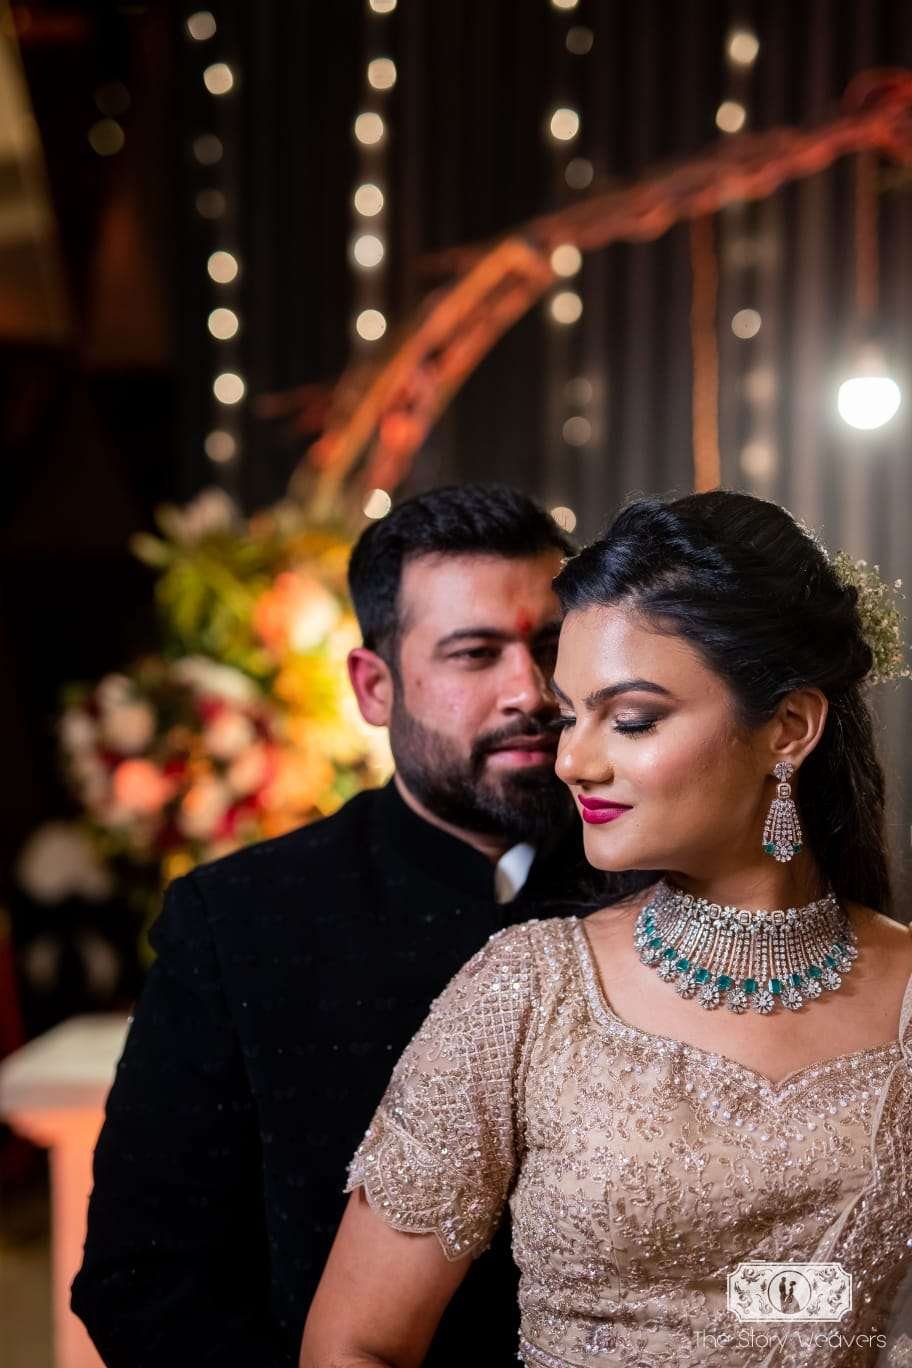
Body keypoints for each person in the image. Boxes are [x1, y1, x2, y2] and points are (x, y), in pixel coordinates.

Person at [301, 490, 912, 1368]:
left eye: (630, 720)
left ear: (788, 728)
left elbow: (826, 1305)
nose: (571, 760)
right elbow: (353, 1344)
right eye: (570, 714)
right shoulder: (529, 991)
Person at [71, 483, 643, 1368]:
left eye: (548, 647)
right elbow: (141, 1278)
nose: (530, 693)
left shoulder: (661, 886)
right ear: (375, 688)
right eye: (474, 654)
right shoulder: (238, 920)